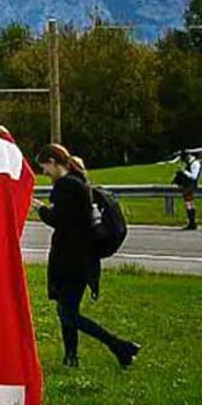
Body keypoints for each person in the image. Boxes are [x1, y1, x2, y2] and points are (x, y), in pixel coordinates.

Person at [33, 144, 140, 369]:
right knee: (67, 311)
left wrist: (41, 209)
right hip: (82, 258)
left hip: (71, 259)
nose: (43, 172)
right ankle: (71, 357)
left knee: (68, 313)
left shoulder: (67, 186)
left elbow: (60, 220)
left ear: (53, 161)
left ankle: (120, 346)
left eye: (44, 166)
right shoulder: (78, 181)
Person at [173, 149, 199, 231]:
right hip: (187, 185)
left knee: (188, 203)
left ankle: (192, 223)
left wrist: (184, 172)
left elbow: (194, 176)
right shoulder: (190, 163)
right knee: (189, 203)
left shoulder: (195, 164)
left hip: (190, 185)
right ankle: (192, 222)